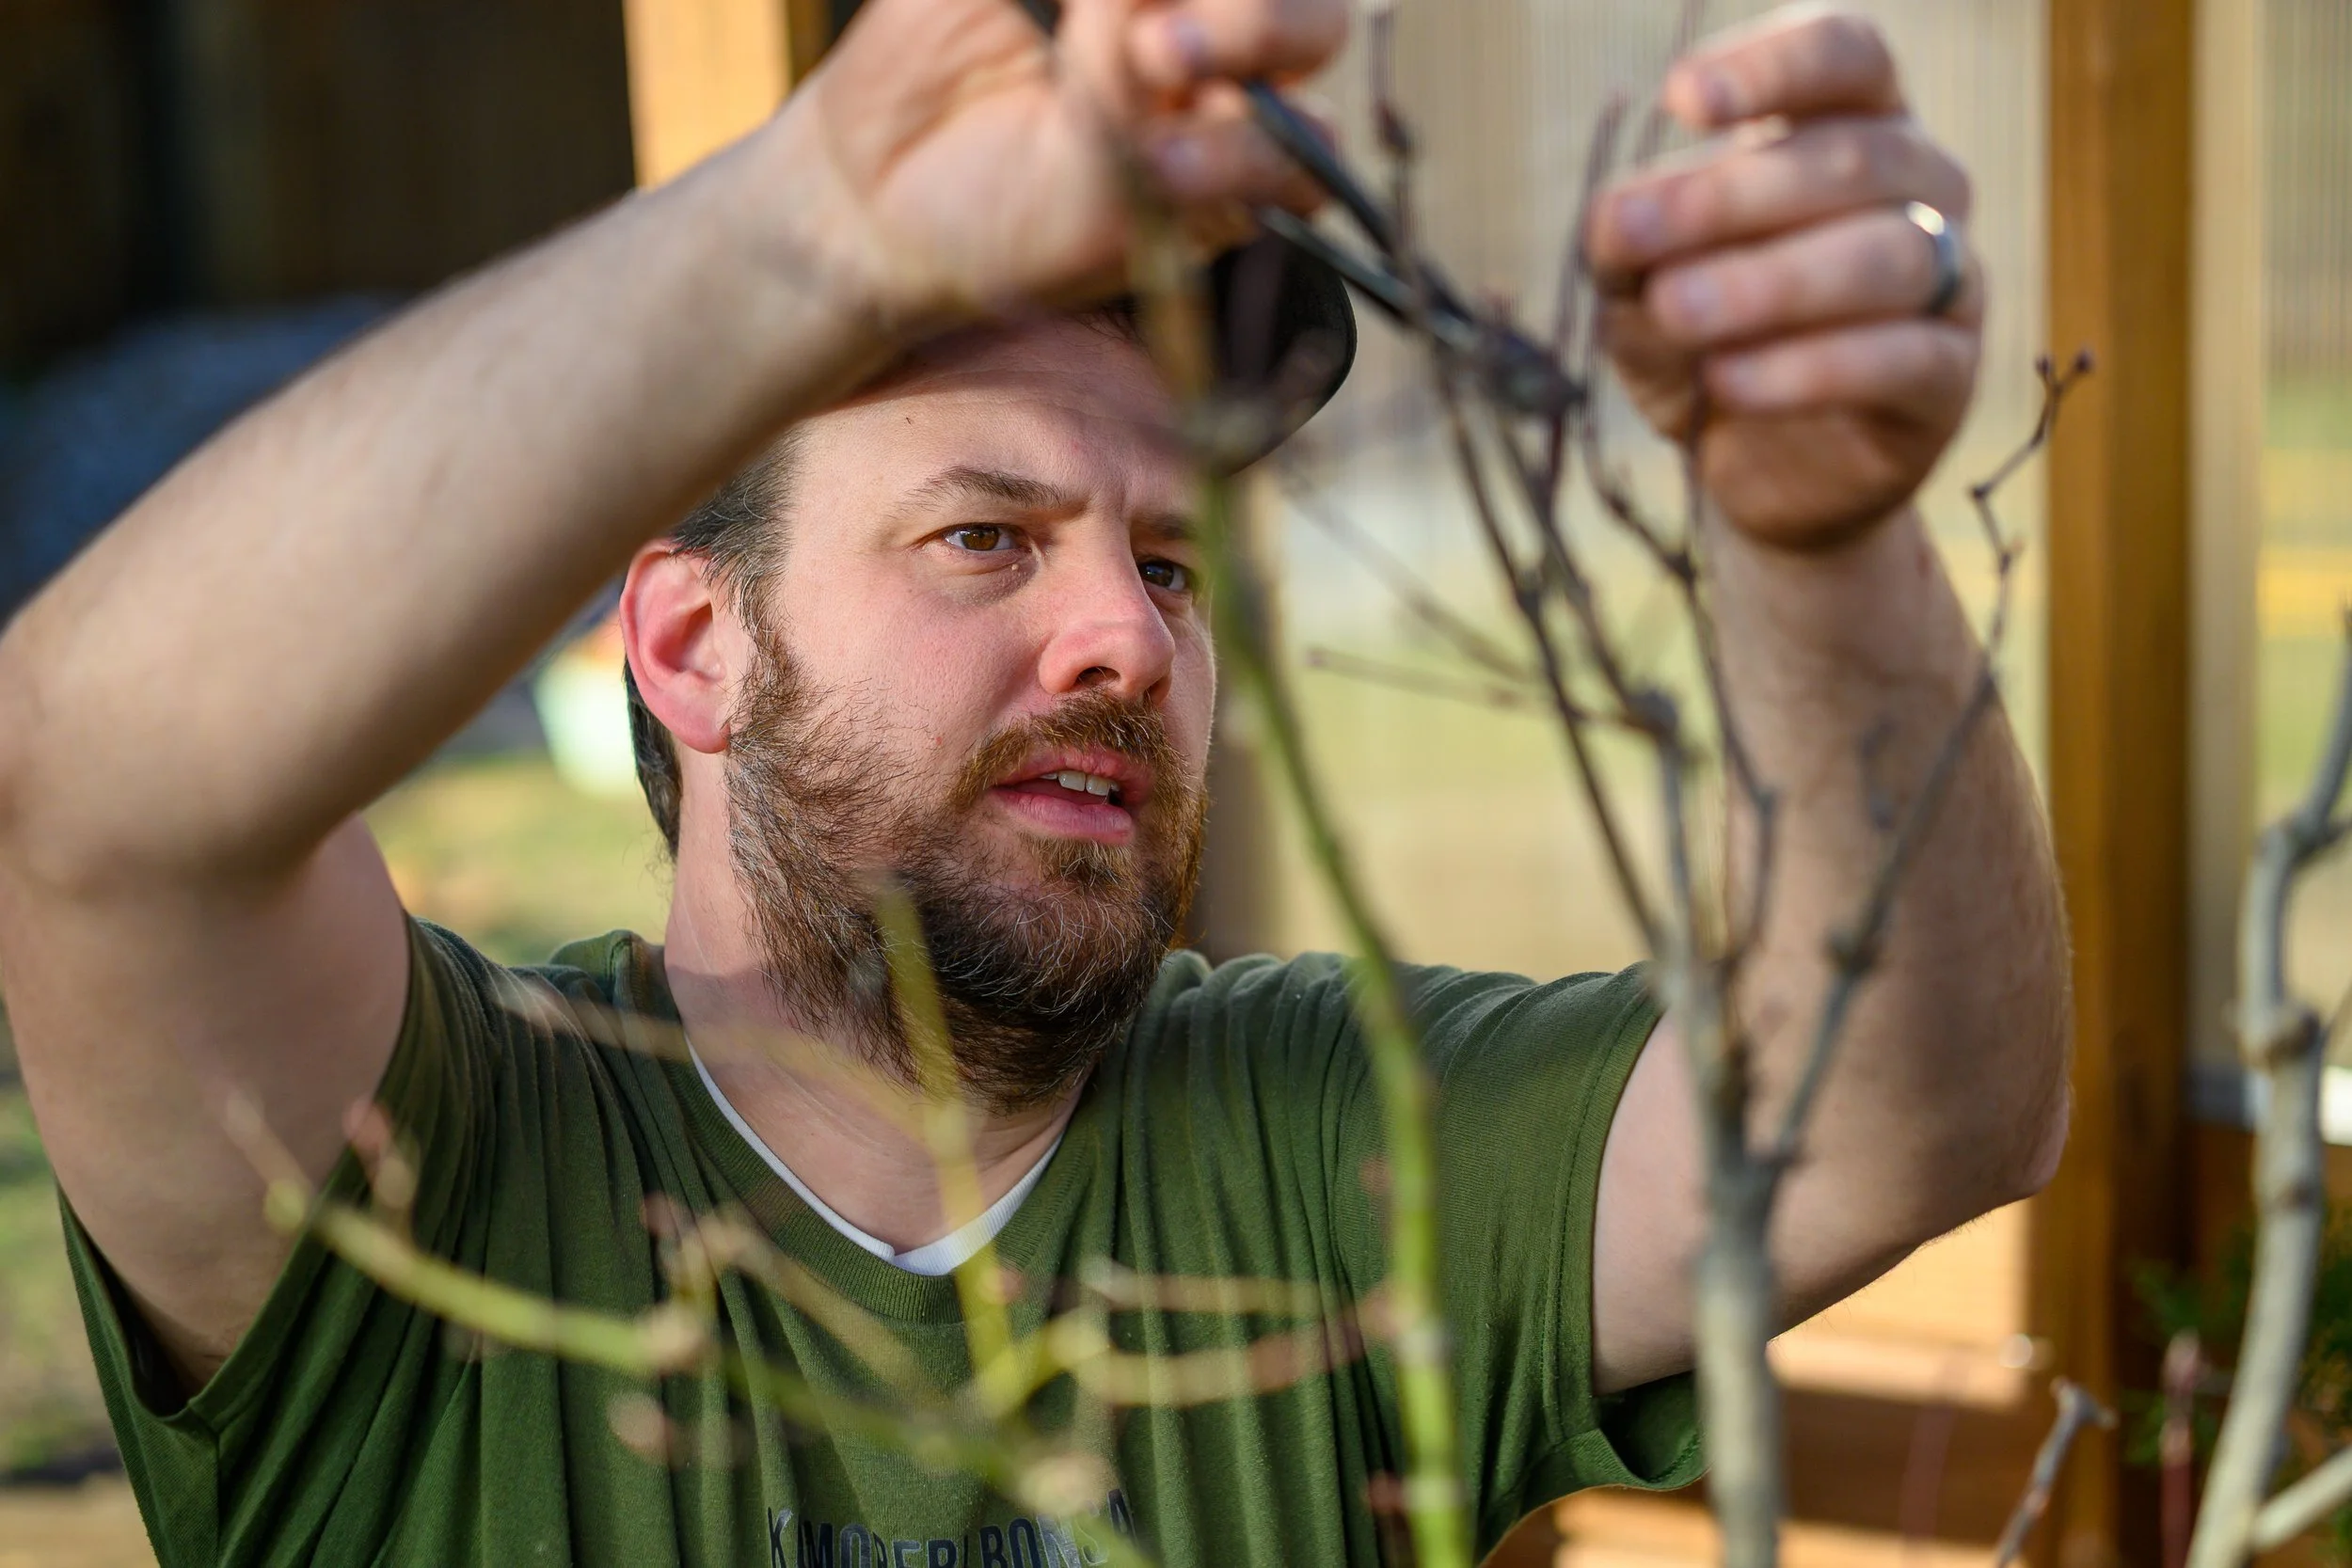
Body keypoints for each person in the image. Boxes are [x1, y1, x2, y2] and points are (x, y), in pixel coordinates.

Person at [0, 0, 2069, 1561]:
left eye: (1163, 563)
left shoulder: (1324, 1141)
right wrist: (810, 223)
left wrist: (1816, 537)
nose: (1129, 639)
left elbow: (1909, 1108)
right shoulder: (445, 1161)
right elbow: (93, 791)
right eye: (985, 536)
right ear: (691, 647)